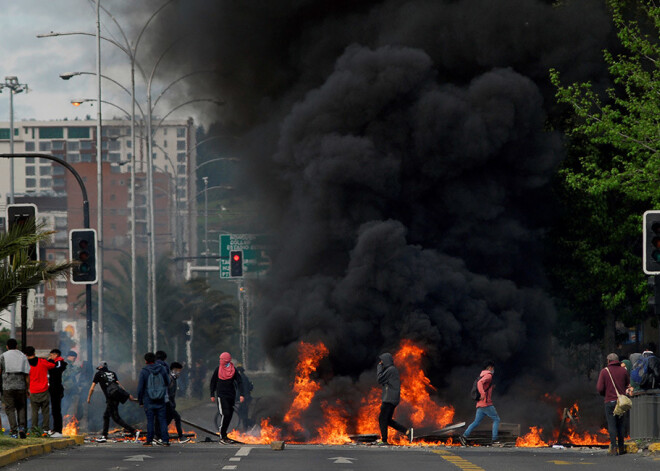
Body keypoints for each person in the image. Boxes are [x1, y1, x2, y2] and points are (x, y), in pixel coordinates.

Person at [87, 361, 138, 442]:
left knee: (115, 417)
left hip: (110, 397)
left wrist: (89, 398)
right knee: (106, 415)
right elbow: (119, 385)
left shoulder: (98, 374)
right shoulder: (112, 373)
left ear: (100, 367)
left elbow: (92, 388)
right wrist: (127, 395)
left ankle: (133, 431)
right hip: (117, 396)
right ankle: (104, 435)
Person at [597, 353, 632, 456]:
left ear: (608, 361)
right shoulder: (623, 371)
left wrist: (606, 394)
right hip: (621, 402)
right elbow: (627, 384)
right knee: (621, 424)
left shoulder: (604, 371)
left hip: (609, 402)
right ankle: (621, 448)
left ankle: (613, 448)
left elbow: (599, 388)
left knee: (612, 425)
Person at [375, 353, 413, 445]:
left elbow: (379, 379)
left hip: (389, 399)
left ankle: (384, 440)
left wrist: (379, 367)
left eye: (382, 361)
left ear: (386, 361)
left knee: (382, 419)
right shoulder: (391, 370)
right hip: (392, 399)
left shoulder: (391, 370)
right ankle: (407, 432)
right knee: (387, 420)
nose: (381, 363)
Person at [460, 360, 501, 446]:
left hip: (480, 404)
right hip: (486, 404)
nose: (493, 369)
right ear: (490, 368)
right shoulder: (488, 376)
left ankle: (464, 436)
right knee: (496, 419)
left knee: (476, 422)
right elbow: (480, 383)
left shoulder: (482, 375)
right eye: (492, 368)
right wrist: (482, 393)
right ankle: (494, 440)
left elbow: (483, 385)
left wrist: (491, 387)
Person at [210, 352, 244, 443]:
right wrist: (212, 394)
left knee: (229, 415)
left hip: (231, 396)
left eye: (222, 359)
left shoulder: (233, 370)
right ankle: (222, 436)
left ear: (226, 360)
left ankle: (224, 436)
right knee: (225, 414)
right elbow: (213, 382)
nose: (220, 361)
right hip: (221, 396)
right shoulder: (218, 370)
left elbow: (239, 381)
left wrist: (242, 394)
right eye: (220, 359)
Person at [138, 352, 170, 447]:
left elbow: (140, 387)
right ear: (155, 359)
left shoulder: (144, 371)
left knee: (150, 421)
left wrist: (140, 400)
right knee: (162, 420)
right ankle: (165, 441)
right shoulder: (162, 369)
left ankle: (149, 440)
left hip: (149, 400)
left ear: (146, 361)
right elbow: (167, 382)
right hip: (161, 399)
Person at [0, 339, 30, 438]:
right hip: (20, 386)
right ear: (17, 346)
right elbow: (27, 374)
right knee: (21, 407)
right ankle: (22, 428)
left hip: (7, 386)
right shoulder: (23, 356)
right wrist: (27, 388)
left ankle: (14, 431)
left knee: (10, 409)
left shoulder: (3, 356)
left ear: (7, 346)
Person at [25, 346, 55, 434]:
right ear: (34, 353)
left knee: (34, 411)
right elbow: (52, 365)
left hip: (33, 390)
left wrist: (28, 389)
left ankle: (34, 429)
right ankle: (45, 428)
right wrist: (50, 359)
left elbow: (26, 378)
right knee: (45, 411)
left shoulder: (26, 364)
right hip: (44, 390)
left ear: (26, 354)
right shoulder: (42, 361)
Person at [166, 362, 189, 443]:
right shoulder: (169, 379)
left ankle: (158, 435)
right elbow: (167, 392)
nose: (179, 373)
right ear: (174, 370)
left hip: (170, 404)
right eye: (178, 371)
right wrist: (170, 403)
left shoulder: (173, 379)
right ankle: (181, 437)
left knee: (167, 420)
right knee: (177, 418)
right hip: (168, 404)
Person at [47, 349, 67, 437]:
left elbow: (55, 371)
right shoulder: (55, 362)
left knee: (56, 410)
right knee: (54, 410)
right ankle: (55, 428)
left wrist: (50, 362)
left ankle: (58, 429)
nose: (50, 357)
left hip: (57, 388)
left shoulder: (59, 363)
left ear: (56, 355)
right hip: (53, 388)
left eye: (51, 355)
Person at [62, 351, 82, 418]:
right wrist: (78, 369)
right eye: (74, 357)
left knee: (68, 405)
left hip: (69, 388)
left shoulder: (69, 364)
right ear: (69, 356)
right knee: (65, 405)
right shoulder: (65, 364)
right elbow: (67, 374)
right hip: (65, 388)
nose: (75, 359)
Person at [235, 364, 254, 431]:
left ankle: (250, 425)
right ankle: (246, 426)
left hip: (245, 398)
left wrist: (236, 398)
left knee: (243, 413)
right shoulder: (243, 377)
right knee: (242, 413)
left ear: (239, 371)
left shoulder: (241, 378)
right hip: (246, 397)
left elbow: (241, 390)